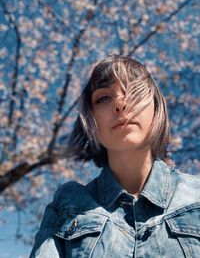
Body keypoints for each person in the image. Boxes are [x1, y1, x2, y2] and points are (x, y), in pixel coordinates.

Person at [30, 55, 200, 258]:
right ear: (91, 119)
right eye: (103, 98)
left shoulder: (195, 197)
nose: (120, 104)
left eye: (134, 91)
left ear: (156, 107)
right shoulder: (67, 205)